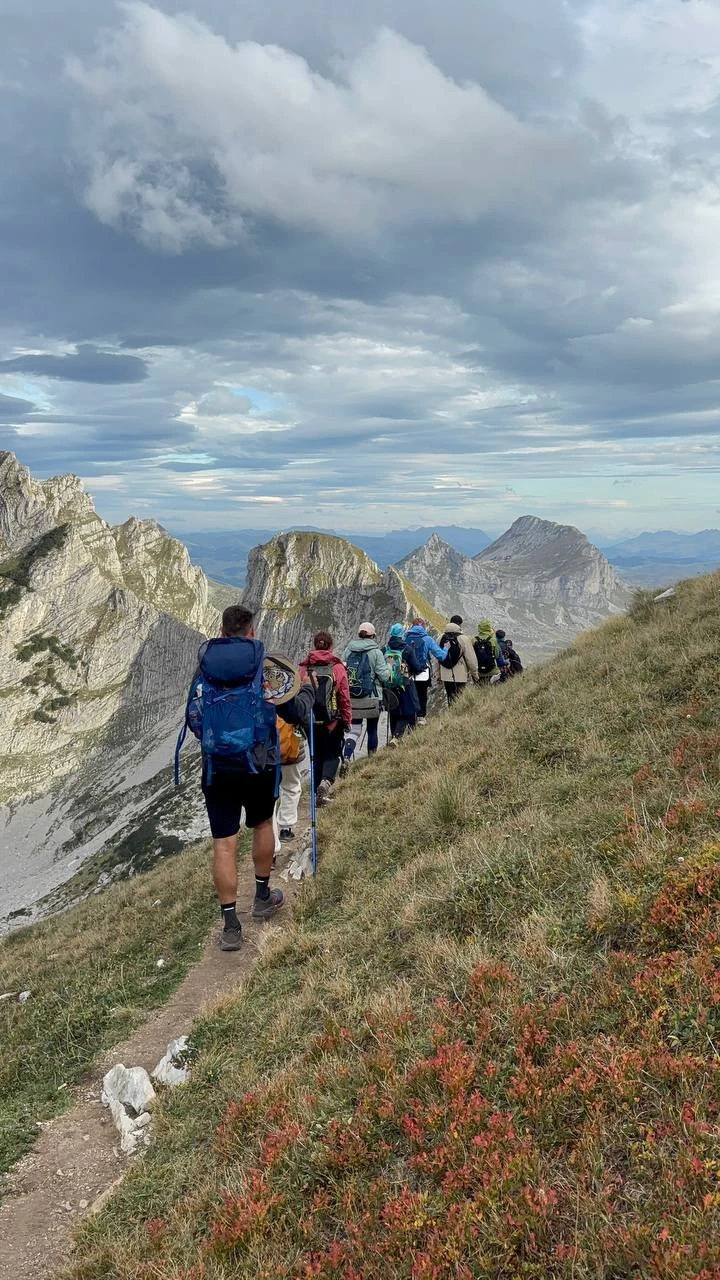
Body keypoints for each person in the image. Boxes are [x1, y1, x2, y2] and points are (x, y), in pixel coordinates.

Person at [187, 604, 313, 952]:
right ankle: (261, 896)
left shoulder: (205, 668)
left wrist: (221, 740)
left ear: (222, 631)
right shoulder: (265, 666)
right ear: (251, 632)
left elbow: (194, 718)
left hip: (217, 767)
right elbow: (295, 712)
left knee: (224, 844)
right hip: (260, 764)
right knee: (262, 825)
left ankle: (230, 926)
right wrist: (306, 690)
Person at [300, 631, 352, 806]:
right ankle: (326, 783)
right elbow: (344, 696)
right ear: (331, 646)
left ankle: (316, 794)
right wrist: (347, 720)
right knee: (332, 754)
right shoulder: (337, 667)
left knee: (316, 756)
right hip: (332, 721)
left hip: (310, 721)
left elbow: (298, 694)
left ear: (315, 645)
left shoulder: (304, 668)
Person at [342, 622, 390, 762]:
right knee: (372, 729)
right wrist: (389, 665)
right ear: (373, 636)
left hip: (352, 697)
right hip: (372, 698)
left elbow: (342, 670)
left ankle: (346, 757)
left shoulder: (348, 650)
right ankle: (371, 760)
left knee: (354, 730)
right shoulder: (376, 652)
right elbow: (384, 676)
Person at [404, 616, 449, 725]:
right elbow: (441, 656)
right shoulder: (427, 639)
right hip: (422, 673)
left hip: (407, 673)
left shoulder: (405, 638)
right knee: (422, 694)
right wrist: (446, 648)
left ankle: (410, 721)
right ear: (424, 626)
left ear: (412, 626)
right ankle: (421, 717)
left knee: (410, 695)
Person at [384, 623, 423, 740]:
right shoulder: (407, 649)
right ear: (402, 634)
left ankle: (393, 736)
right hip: (405, 684)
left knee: (394, 711)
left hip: (389, 684)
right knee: (408, 710)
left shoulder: (385, 649)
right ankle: (397, 736)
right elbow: (416, 667)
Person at [437, 614, 479, 705]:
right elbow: (471, 659)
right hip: (460, 675)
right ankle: (457, 713)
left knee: (450, 698)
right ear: (460, 624)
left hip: (445, 675)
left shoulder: (440, 638)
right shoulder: (464, 639)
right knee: (459, 699)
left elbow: (437, 658)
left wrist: (438, 675)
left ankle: (451, 712)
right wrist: (475, 675)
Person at [473, 619, 507, 685]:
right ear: (489, 628)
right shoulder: (493, 640)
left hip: (479, 672)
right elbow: (497, 655)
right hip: (492, 671)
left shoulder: (473, 640)